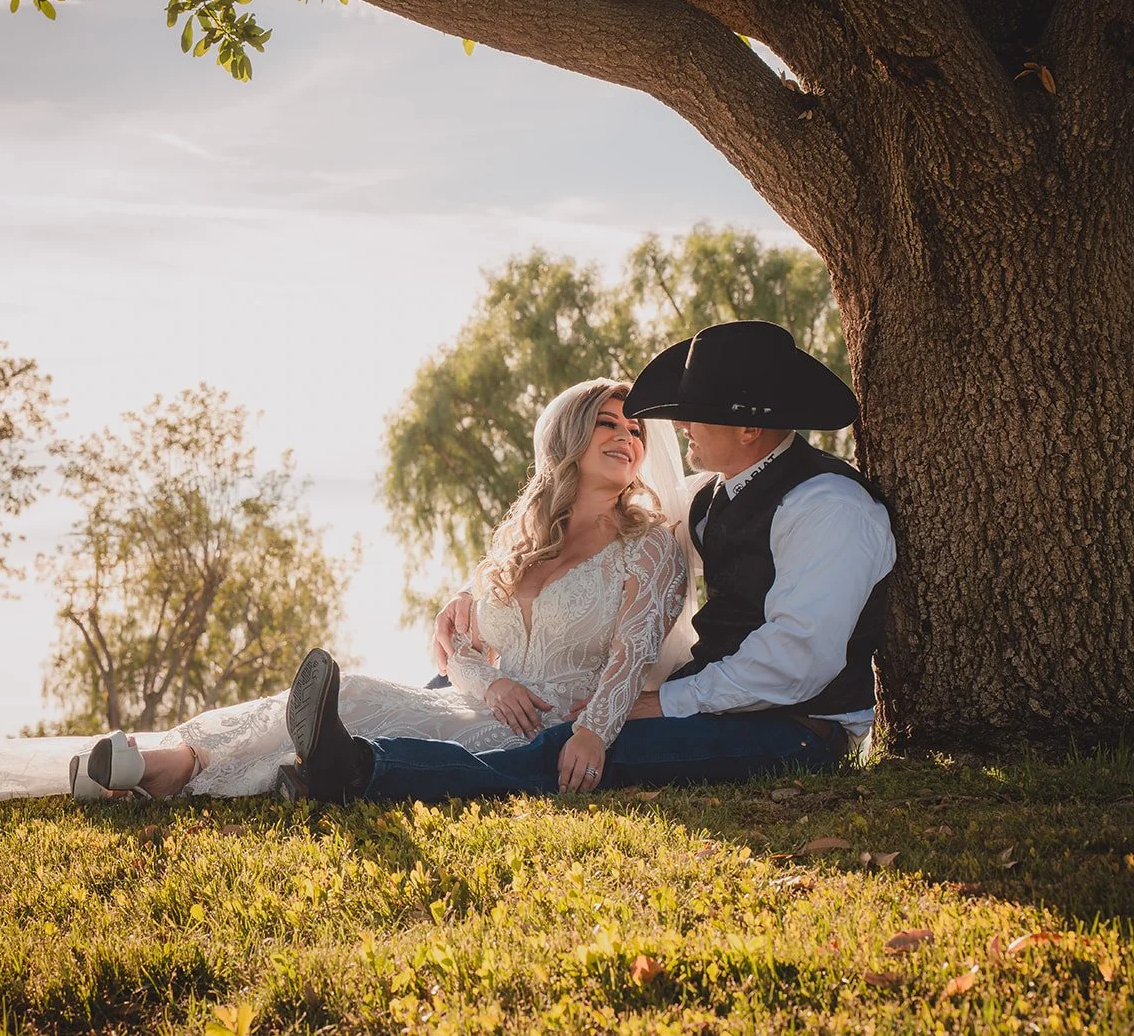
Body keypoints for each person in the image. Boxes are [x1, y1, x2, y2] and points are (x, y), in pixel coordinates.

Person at [0, 378, 691, 842]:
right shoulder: (514, 546)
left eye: (633, 426)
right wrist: (491, 675)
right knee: (371, 691)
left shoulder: (650, 546)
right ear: (563, 441)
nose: (624, 434)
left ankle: (167, 768)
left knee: (369, 705)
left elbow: (630, 655)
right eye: (603, 420)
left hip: (551, 728)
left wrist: (591, 731)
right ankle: (161, 762)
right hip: (480, 706)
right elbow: (457, 646)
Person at [288, 319, 896, 802]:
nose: (677, 426)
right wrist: (472, 599)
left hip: (798, 727)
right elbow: (594, 542)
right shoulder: (712, 496)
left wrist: (663, 702)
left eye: (697, 409)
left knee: (582, 749)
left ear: (748, 429)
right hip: (718, 699)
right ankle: (334, 749)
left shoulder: (828, 507)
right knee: (457, 693)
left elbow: (798, 658)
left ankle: (365, 770)